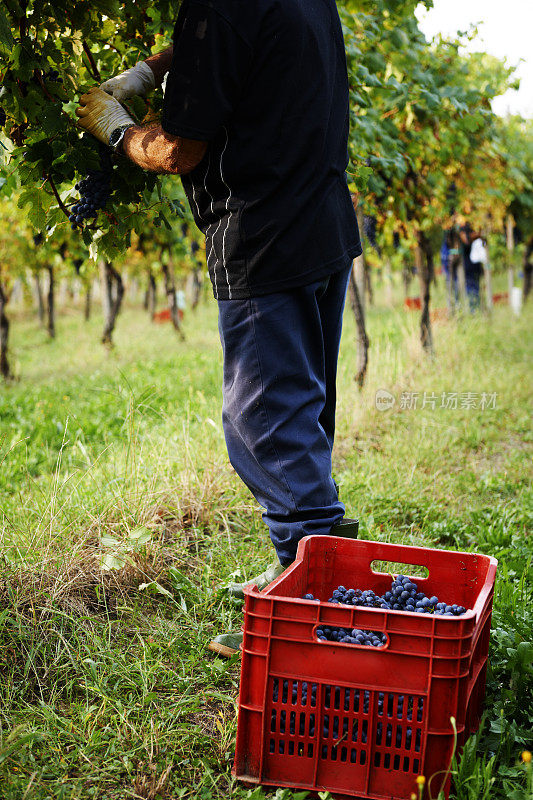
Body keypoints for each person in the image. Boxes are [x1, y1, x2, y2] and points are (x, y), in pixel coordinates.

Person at [76, 0, 362, 656]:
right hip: (319, 226)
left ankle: (319, 618)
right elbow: (246, 54)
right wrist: (152, 67)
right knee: (301, 414)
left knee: (265, 426)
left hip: (263, 237)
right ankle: (303, 576)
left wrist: (117, 128)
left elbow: (179, 149)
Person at [459, 223, 484, 311]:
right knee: (471, 291)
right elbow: (465, 240)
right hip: (467, 267)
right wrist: (478, 235)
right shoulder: (462, 227)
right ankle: (473, 311)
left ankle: (476, 310)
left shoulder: (474, 222)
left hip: (476, 266)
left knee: (476, 290)